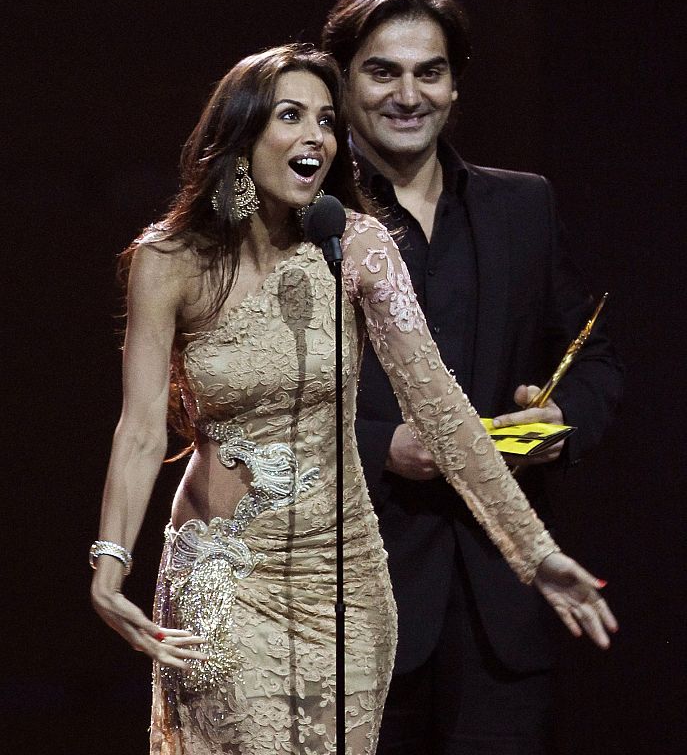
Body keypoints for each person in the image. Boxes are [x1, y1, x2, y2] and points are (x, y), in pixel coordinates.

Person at [89, 43, 616, 755]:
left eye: (327, 121)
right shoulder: (170, 260)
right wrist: (111, 565)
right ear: (243, 135)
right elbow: (141, 431)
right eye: (290, 116)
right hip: (228, 578)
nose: (316, 136)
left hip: (346, 588)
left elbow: (440, 410)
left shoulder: (358, 247)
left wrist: (534, 553)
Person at [322, 0, 624, 755]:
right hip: (350, 603)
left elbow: (590, 355)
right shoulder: (299, 224)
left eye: (430, 72)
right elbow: (239, 405)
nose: (407, 94)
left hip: (501, 606)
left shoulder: (522, 204)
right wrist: (381, 445)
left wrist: (560, 417)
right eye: (382, 71)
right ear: (341, 81)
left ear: (456, 85)